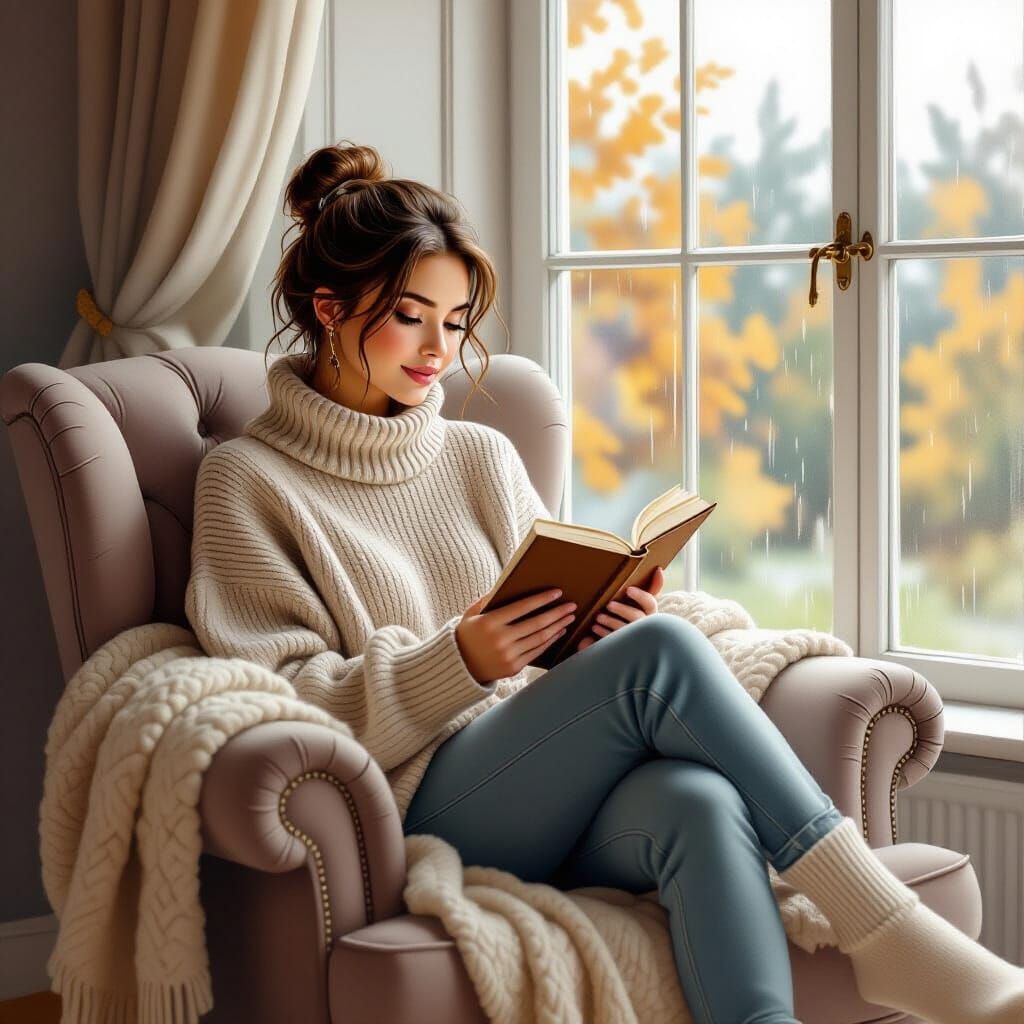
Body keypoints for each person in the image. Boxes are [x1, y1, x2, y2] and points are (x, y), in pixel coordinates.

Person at [184, 141, 1024, 1024]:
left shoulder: (478, 454)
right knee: (663, 656)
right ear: (330, 307)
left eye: (459, 320)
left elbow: (540, 639)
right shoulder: (247, 480)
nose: (440, 349)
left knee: (698, 800)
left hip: (539, 769)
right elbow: (274, 699)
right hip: (415, 797)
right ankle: (883, 925)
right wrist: (454, 662)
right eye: (411, 316)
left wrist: (599, 625)